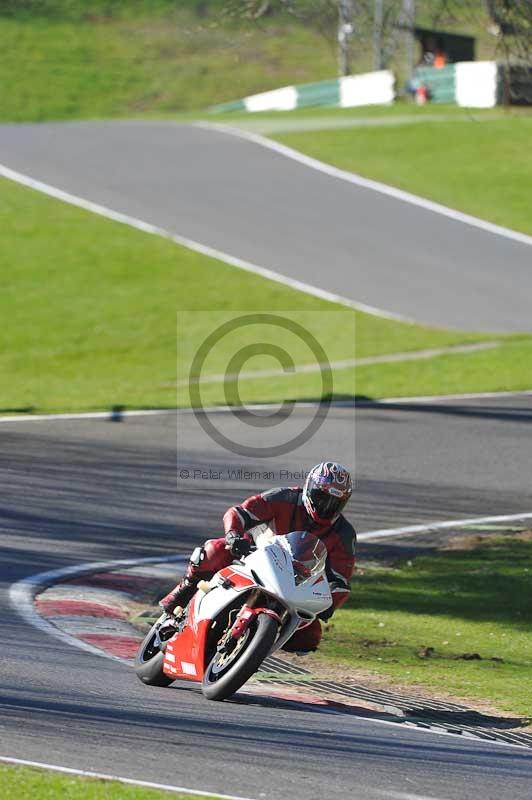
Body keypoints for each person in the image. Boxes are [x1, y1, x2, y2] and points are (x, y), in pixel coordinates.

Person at [160, 461, 355, 653]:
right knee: (215, 550)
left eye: (334, 503)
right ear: (308, 487)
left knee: (310, 635)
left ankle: (254, 647)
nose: (325, 506)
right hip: (251, 557)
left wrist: (329, 604)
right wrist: (233, 535)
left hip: (293, 586)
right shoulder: (284, 497)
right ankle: (179, 600)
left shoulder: (344, 533)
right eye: (320, 497)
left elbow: (340, 580)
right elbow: (239, 512)